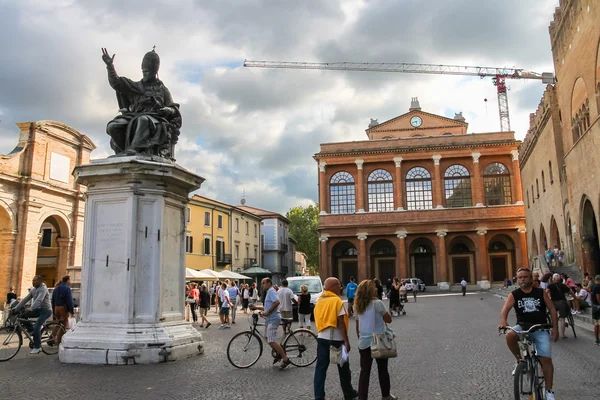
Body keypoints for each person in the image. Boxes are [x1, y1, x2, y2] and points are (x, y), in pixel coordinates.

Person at [499, 268, 558, 400]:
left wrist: (555, 328)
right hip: (523, 326)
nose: (522, 279)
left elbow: (552, 309)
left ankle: (549, 391)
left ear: (531, 279)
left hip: (540, 327)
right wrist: (503, 322)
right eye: (520, 277)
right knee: (510, 335)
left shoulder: (541, 293)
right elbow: (505, 310)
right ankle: (519, 360)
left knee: (546, 359)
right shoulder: (514, 294)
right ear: (517, 279)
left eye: (525, 277)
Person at [313, 277, 358, 400]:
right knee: (343, 368)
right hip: (336, 339)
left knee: (320, 368)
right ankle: (348, 393)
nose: (340, 287)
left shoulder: (319, 300)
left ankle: (319, 395)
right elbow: (341, 323)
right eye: (338, 285)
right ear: (333, 287)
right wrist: (346, 341)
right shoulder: (337, 301)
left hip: (321, 337)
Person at [354, 280, 396, 400]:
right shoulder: (377, 303)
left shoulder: (357, 305)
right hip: (379, 340)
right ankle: (386, 395)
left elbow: (357, 326)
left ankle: (362, 397)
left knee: (364, 372)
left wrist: (360, 338)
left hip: (364, 341)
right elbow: (388, 320)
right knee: (382, 369)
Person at [251, 278, 291, 369]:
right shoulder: (269, 291)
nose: (262, 285)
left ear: (269, 283)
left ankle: (285, 359)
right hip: (269, 319)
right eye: (262, 283)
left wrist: (268, 312)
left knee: (271, 340)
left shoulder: (271, 291)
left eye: (263, 283)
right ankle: (279, 352)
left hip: (273, 318)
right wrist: (256, 307)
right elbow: (267, 306)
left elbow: (277, 302)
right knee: (267, 337)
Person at [12, 275, 53, 354]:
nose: (33, 282)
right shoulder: (33, 289)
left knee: (37, 326)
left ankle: (38, 347)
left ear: (40, 282)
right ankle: (31, 330)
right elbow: (25, 300)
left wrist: (31, 308)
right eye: (32, 280)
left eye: (35, 281)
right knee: (23, 315)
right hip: (38, 310)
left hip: (46, 310)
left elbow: (39, 300)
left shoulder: (43, 289)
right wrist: (16, 308)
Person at [546, 273, 575, 339]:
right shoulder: (563, 285)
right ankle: (563, 334)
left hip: (553, 303)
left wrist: (547, 299)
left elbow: (546, 292)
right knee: (562, 319)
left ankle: (553, 331)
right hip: (562, 302)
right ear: (559, 279)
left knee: (553, 317)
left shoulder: (550, 285)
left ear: (553, 279)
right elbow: (571, 292)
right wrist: (575, 297)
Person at [51, 275, 74, 345]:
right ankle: (59, 341)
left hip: (56, 308)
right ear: (67, 280)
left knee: (58, 324)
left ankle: (51, 337)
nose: (70, 282)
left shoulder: (56, 288)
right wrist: (71, 311)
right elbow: (69, 301)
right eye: (70, 280)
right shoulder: (67, 288)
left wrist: (53, 311)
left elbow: (53, 300)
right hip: (63, 308)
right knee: (63, 325)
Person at [591, 275, 600, 345]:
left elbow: (591, 296)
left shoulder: (593, 286)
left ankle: (597, 340)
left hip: (594, 306)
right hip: (598, 307)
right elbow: (598, 298)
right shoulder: (598, 287)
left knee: (596, 324)